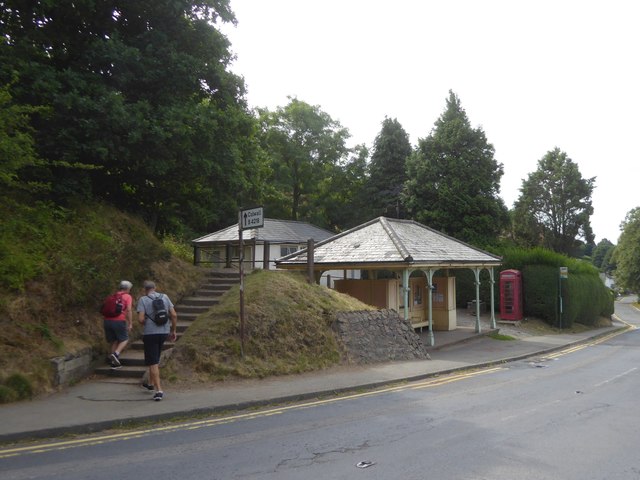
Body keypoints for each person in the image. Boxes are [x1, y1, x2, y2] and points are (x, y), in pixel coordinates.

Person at [136, 280, 177, 401]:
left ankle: (159, 390)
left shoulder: (143, 300)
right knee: (155, 358)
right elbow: (174, 315)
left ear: (145, 289)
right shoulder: (164, 296)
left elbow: (140, 319)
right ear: (155, 287)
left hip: (150, 333)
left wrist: (147, 321)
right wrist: (173, 330)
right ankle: (150, 384)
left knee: (153, 362)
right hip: (164, 331)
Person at [103, 280, 134, 368]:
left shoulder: (113, 295)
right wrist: (130, 323)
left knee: (115, 341)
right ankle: (116, 354)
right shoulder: (127, 296)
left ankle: (113, 363)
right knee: (124, 339)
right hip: (118, 320)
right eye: (130, 289)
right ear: (127, 288)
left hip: (107, 321)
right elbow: (128, 310)